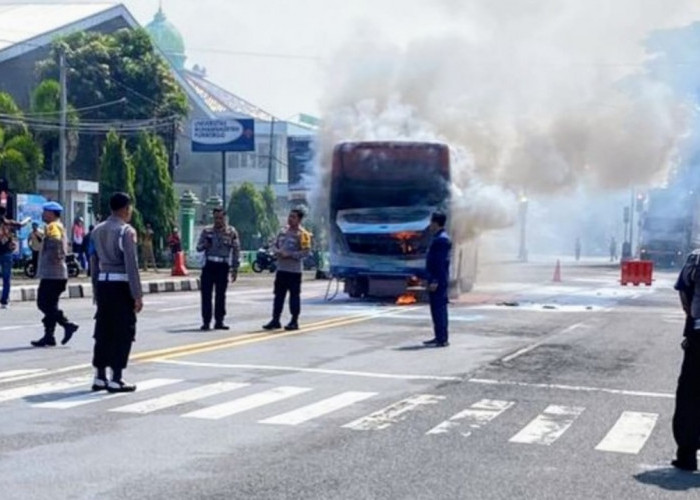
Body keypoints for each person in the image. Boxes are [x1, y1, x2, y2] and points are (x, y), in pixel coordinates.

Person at [89, 192, 143, 393]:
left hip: (103, 284)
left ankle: (100, 376)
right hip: (121, 286)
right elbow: (131, 264)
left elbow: (94, 262)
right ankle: (117, 378)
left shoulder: (97, 230)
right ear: (125, 209)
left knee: (103, 330)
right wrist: (137, 294)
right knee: (123, 332)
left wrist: (96, 289)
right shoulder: (126, 231)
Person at [30, 202, 79, 347]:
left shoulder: (53, 226)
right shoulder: (57, 225)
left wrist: (54, 257)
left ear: (51, 213)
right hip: (57, 274)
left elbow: (56, 243)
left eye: (45, 211)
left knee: (43, 303)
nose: (43, 214)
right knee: (51, 305)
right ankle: (49, 336)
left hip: (53, 274)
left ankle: (67, 324)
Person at [671, 249, 700, 471]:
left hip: (698, 336)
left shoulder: (696, 258)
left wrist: (691, 316)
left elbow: (683, 292)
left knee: (690, 395)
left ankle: (687, 454)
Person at [263, 208, 312, 331]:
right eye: (289, 216)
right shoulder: (283, 231)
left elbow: (306, 252)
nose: (290, 219)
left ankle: (294, 321)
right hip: (281, 269)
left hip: (294, 271)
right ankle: (275, 319)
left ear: (299, 219)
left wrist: (290, 255)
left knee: (294, 296)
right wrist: (277, 252)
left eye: (293, 217)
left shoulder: (303, 234)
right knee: (278, 296)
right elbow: (274, 244)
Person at [196, 207, 240, 331]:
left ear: (225, 218)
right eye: (216, 218)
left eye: (220, 218)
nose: (218, 220)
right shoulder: (207, 231)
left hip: (223, 266)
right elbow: (198, 247)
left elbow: (236, 250)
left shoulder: (231, 232)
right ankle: (206, 321)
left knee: (221, 295)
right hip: (209, 265)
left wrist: (235, 268)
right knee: (206, 295)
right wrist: (205, 245)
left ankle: (219, 321)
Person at [423, 211, 452, 348]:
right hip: (437, 278)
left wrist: (434, 280)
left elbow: (439, 263)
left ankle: (442, 338)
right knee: (436, 309)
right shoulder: (440, 238)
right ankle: (439, 336)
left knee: (439, 309)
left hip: (438, 280)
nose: (430, 225)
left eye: (431, 222)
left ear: (435, 223)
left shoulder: (441, 240)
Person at [0, 206, 26, 309]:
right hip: (6, 253)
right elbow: (21, 225)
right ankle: (4, 301)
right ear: (5, 213)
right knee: (6, 279)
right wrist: (27, 220)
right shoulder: (9, 223)